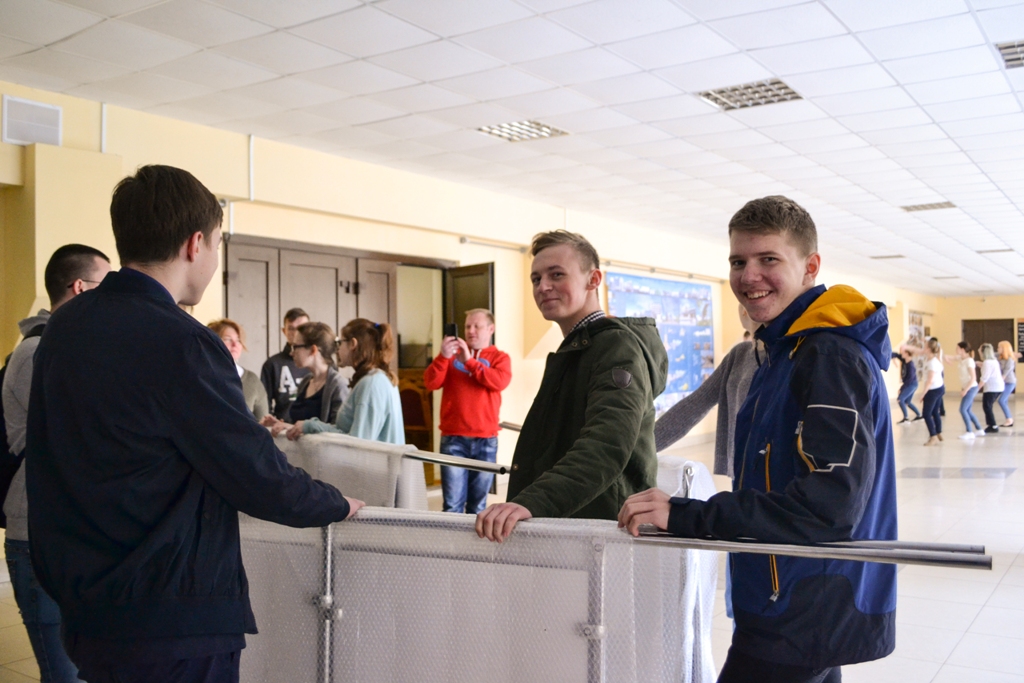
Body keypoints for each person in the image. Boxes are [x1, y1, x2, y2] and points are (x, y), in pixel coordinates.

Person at [25, 164, 364, 683]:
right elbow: (253, 472)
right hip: (168, 616)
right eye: (218, 244)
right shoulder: (183, 341)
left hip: (89, 605)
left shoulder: (65, 326)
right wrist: (335, 503)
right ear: (195, 243)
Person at [619, 195, 897, 682]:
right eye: (738, 262)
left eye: (769, 259)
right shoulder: (783, 350)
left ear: (810, 266)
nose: (749, 277)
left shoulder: (827, 356)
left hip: (800, 604)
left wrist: (687, 515)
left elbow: (830, 505)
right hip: (789, 592)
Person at [476, 230, 667, 543]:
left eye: (557, 275)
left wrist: (532, 501)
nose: (543, 286)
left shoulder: (615, 348)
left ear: (593, 279)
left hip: (603, 533)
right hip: (572, 527)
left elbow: (606, 445)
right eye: (536, 279)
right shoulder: (580, 347)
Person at [2, 244, 111, 683]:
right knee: (63, 674)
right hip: (39, 534)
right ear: (80, 287)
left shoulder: (67, 346)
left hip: (70, 531)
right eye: (106, 285)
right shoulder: (38, 352)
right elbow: (81, 433)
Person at [654, 304, 760, 476]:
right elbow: (694, 405)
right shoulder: (739, 355)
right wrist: (643, 446)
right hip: (742, 467)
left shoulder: (789, 355)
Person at [424, 309, 512, 514]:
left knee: (478, 507)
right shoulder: (449, 357)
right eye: (467, 326)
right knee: (452, 505)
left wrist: (469, 362)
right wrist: (443, 356)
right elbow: (430, 383)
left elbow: (499, 381)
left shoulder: (500, 357)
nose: (471, 331)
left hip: (486, 441)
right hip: (453, 439)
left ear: (491, 329)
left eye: (477, 326)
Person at [287, 318, 405, 445]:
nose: (337, 349)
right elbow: (350, 434)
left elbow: (358, 443)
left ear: (352, 344)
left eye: (340, 342)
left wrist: (310, 425)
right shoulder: (373, 379)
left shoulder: (371, 383)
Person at [260, 322, 345, 436]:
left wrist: (303, 426)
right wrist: (282, 425)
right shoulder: (306, 381)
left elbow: (340, 432)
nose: (291, 353)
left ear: (313, 350)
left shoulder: (338, 385)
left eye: (295, 347)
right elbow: (300, 426)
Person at [208, 318, 269, 420]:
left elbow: (263, 422)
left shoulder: (252, 380)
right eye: (228, 339)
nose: (235, 344)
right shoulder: (202, 377)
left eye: (238, 340)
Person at [260, 308, 311, 419]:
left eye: (301, 328)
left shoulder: (319, 363)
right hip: (283, 426)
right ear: (284, 331)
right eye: (291, 329)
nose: (296, 333)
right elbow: (264, 405)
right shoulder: (272, 364)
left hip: (315, 426)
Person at [948, 341, 983, 440]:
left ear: (962, 349)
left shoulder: (969, 361)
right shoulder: (961, 358)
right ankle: (979, 429)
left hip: (971, 387)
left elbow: (973, 378)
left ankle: (969, 432)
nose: (956, 350)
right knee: (968, 410)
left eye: (957, 348)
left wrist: (965, 390)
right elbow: (950, 357)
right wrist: (945, 358)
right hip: (967, 387)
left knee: (963, 409)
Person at [918, 338, 945, 446]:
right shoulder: (933, 359)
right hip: (939, 388)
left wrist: (922, 394)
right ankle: (938, 432)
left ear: (929, 349)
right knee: (935, 412)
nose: (923, 349)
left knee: (926, 414)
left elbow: (929, 381)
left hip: (933, 390)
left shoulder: (932, 363)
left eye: (925, 347)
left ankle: (933, 436)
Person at [979, 343, 1005, 434]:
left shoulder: (987, 362)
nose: (978, 351)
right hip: (997, 387)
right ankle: (991, 425)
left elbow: (984, 378)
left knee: (987, 406)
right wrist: (981, 364)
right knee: (988, 406)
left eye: (980, 350)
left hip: (992, 388)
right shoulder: (993, 361)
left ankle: (993, 426)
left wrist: (976, 389)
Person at [892, 349, 922, 424]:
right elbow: (895, 354)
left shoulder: (910, 365)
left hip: (912, 384)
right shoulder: (904, 360)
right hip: (911, 384)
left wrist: (902, 388)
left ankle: (906, 418)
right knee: (907, 402)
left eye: (903, 353)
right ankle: (919, 416)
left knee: (900, 399)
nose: (901, 354)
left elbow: (909, 380)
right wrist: (892, 357)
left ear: (907, 354)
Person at [997, 340, 1016, 427]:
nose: (997, 349)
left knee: (1001, 400)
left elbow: (1006, 372)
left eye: (999, 347)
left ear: (1004, 348)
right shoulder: (999, 357)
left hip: (1010, 382)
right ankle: (1008, 418)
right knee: (1004, 401)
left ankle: (1009, 419)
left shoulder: (1010, 359)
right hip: (1004, 383)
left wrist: (999, 380)